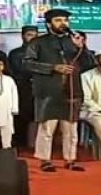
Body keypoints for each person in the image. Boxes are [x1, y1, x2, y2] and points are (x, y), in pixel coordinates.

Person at [24, 9, 94, 172]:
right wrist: (53, 67)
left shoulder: (74, 41)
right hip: (47, 91)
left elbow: (89, 64)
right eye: (58, 20)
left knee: (71, 129)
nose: (63, 23)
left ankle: (70, 159)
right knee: (47, 128)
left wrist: (81, 47)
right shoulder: (38, 42)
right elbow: (27, 63)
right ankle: (45, 160)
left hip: (71, 90)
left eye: (65, 20)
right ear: (49, 24)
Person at [8, 25, 39, 149]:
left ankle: (33, 144)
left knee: (35, 116)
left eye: (35, 35)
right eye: (29, 35)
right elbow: (13, 71)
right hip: (21, 88)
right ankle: (19, 144)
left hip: (37, 88)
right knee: (20, 116)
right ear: (22, 36)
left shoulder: (42, 52)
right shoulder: (15, 53)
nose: (33, 38)